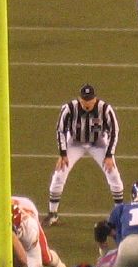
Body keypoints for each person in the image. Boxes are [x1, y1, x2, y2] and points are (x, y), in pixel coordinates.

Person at [47, 84, 124, 227]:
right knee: (59, 173)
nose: (87, 103)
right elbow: (60, 131)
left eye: (89, 100)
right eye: (84, 100)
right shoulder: (69, 108)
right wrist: (63, 153)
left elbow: (114, 131)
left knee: (113, 174)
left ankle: (119, 214)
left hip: (98, 143)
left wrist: (109, 155)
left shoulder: (105, 109)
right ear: (79, 99)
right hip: (75, 142)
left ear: (95, 99)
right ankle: (52, 214)